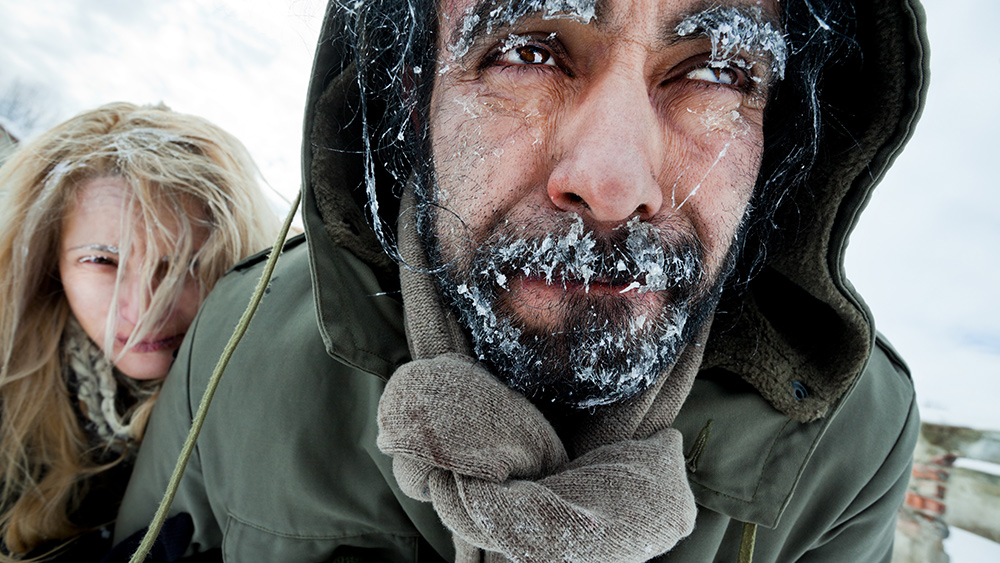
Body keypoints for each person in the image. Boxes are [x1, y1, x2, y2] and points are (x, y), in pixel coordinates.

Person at [116, 0, 928, 561]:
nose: (612, 183)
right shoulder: (240, 344)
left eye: (716, 72)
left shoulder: (850, 441)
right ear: (410, 89)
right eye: (528, 51)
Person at [0, 102, 280, 561]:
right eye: (104, 261)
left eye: (186, 265)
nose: (145, 308)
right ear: (51, 262)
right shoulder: (9, 393)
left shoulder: (266, 409)